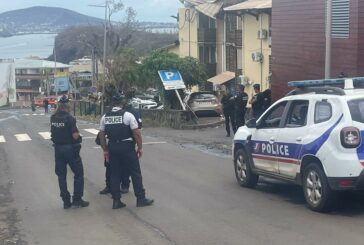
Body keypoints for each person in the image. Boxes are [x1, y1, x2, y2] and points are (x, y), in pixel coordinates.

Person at [98, 94, 153, 209]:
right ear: (122, 103)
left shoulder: (105, 117)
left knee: (114, 174)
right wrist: (140, 147)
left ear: (113, 103)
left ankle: (116, 201)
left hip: (112, 146)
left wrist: (105, 150)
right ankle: (141, 198)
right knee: (135, 173)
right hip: (126, 146)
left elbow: (101, 135)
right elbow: (136, 133)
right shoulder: (128, 115)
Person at [50, 95, 89, 209]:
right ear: (68, 105)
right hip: (70, 150)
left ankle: (66, 201)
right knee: (78, 174)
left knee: (61, 176)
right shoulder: (70, 118)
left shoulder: (53, 117)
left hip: (58, 149)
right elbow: (75, 135)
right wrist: (79, 136)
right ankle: (77, 200)